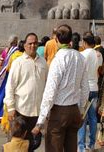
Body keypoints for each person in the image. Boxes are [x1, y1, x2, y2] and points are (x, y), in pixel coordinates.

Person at [32, 24, 88, 152]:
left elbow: (50, 92)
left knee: (53, 147)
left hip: (59, 111)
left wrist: (40, 121)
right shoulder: (80, 57)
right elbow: (85, 88)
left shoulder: (58, 60)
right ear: (70, 39)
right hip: (74, 109)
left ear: (56, 39)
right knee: (71, 148)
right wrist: (81, 109)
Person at [4, 32, 47, 149]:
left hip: (37, 112)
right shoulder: (18, 62)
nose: (32, 46)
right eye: (30, 43)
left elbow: (47, 85)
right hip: (20, 110)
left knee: (33, 143)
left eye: (35, 43)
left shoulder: (43, 62)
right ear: (25, 45)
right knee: (17, 144)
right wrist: (11, 108)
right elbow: (10, 86)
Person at [78, 33, 103, 152]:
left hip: (85, 89)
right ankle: (91, 144)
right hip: (94, 88)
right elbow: (99, 68)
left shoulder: (82, 54)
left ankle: (81, 146)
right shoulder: (98, 54)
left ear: (84, 42)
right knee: (93, 118)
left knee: (83, 117)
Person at [0, 36, 20, 122]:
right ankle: (2, 115)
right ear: (16, 42)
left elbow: (0, 62)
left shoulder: (6, 50)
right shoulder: (16, 52)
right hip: (9, 75)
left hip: (4, 74)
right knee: (7, 94)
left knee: (2, 94)